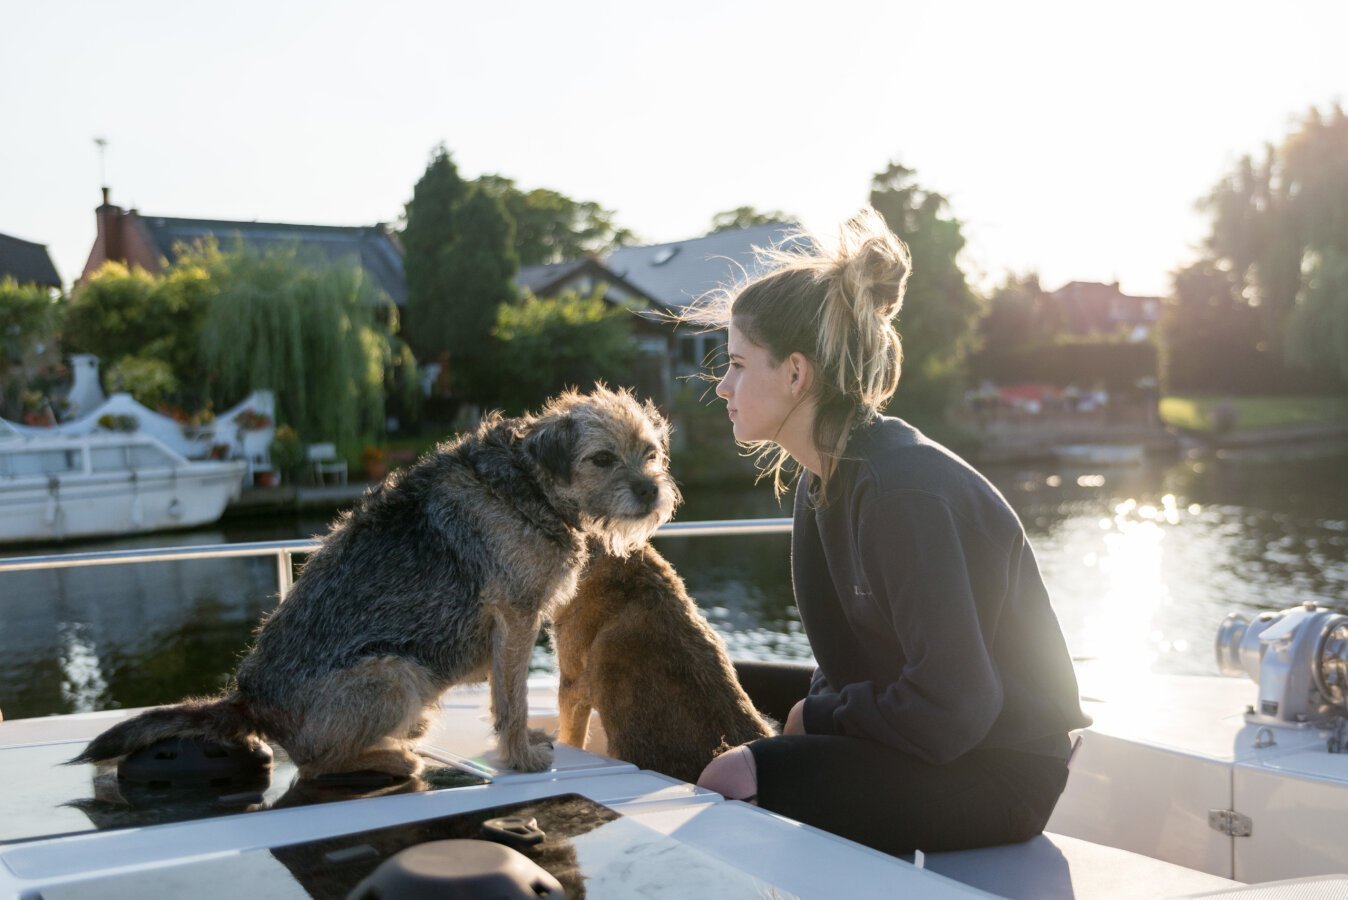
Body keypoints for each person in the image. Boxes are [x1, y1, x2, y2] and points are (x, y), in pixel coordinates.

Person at [694, 208, 1090, 856]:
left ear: (796, 374)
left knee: (732, 775)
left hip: (999, 771)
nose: (723, 384)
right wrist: (814, 715)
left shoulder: (900, 491)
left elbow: (958, 704)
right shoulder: (821, 481)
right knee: (709, 680)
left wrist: (813, 720)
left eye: (739, 364)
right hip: (941, 744)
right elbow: (855, 664)